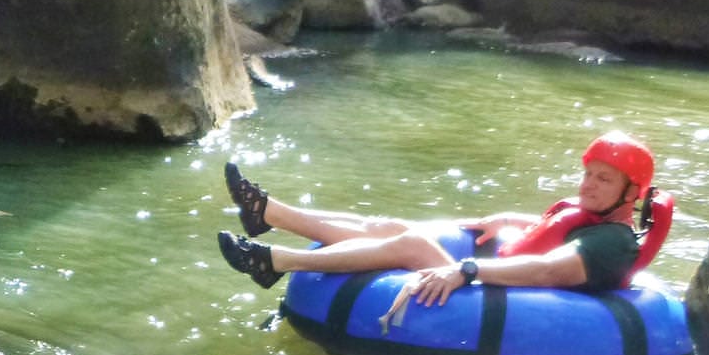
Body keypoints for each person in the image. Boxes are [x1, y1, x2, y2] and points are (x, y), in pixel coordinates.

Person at [215, 132, 663, 324]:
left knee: (410, 244)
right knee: (391, 225)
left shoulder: (610, 244)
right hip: (500, 277)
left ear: (631, 194)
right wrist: (507, 219)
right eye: (588, 174)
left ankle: (278, 263)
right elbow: (558, 226)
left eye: (603, 179)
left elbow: (547, 271)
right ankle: (269, 213)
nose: (588, 185)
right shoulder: (599, 222)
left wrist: (465, 269)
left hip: (510, 295)